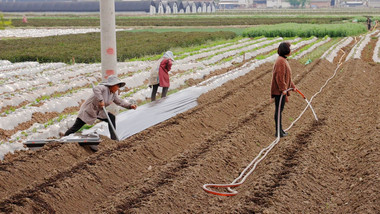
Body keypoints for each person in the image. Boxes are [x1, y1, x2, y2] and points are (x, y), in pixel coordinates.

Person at [63, 75, 137, 141]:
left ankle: (113, 139)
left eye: (118, 86)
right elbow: (96, 89)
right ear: (112, 85)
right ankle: (63, 139)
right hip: (89, 110)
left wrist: (130, 106)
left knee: (111, 118)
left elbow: (120, 102)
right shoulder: (104, 88)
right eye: (117, 85)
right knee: (76, 127)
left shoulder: (113, 94)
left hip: (99, 112)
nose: (118, 88)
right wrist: (101, 100)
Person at [271, 42, 297, 137]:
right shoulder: (280, 61)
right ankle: (278, 132)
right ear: (286, 50)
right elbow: (280, 77)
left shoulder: (283, 60)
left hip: (281, 91)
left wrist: (292, 86)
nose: (291, 50)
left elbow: (287, 77)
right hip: (279, 91)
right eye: (290, 48)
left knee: (280, 110)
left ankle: (280, 130)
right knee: (278, 110)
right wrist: (283, 89)